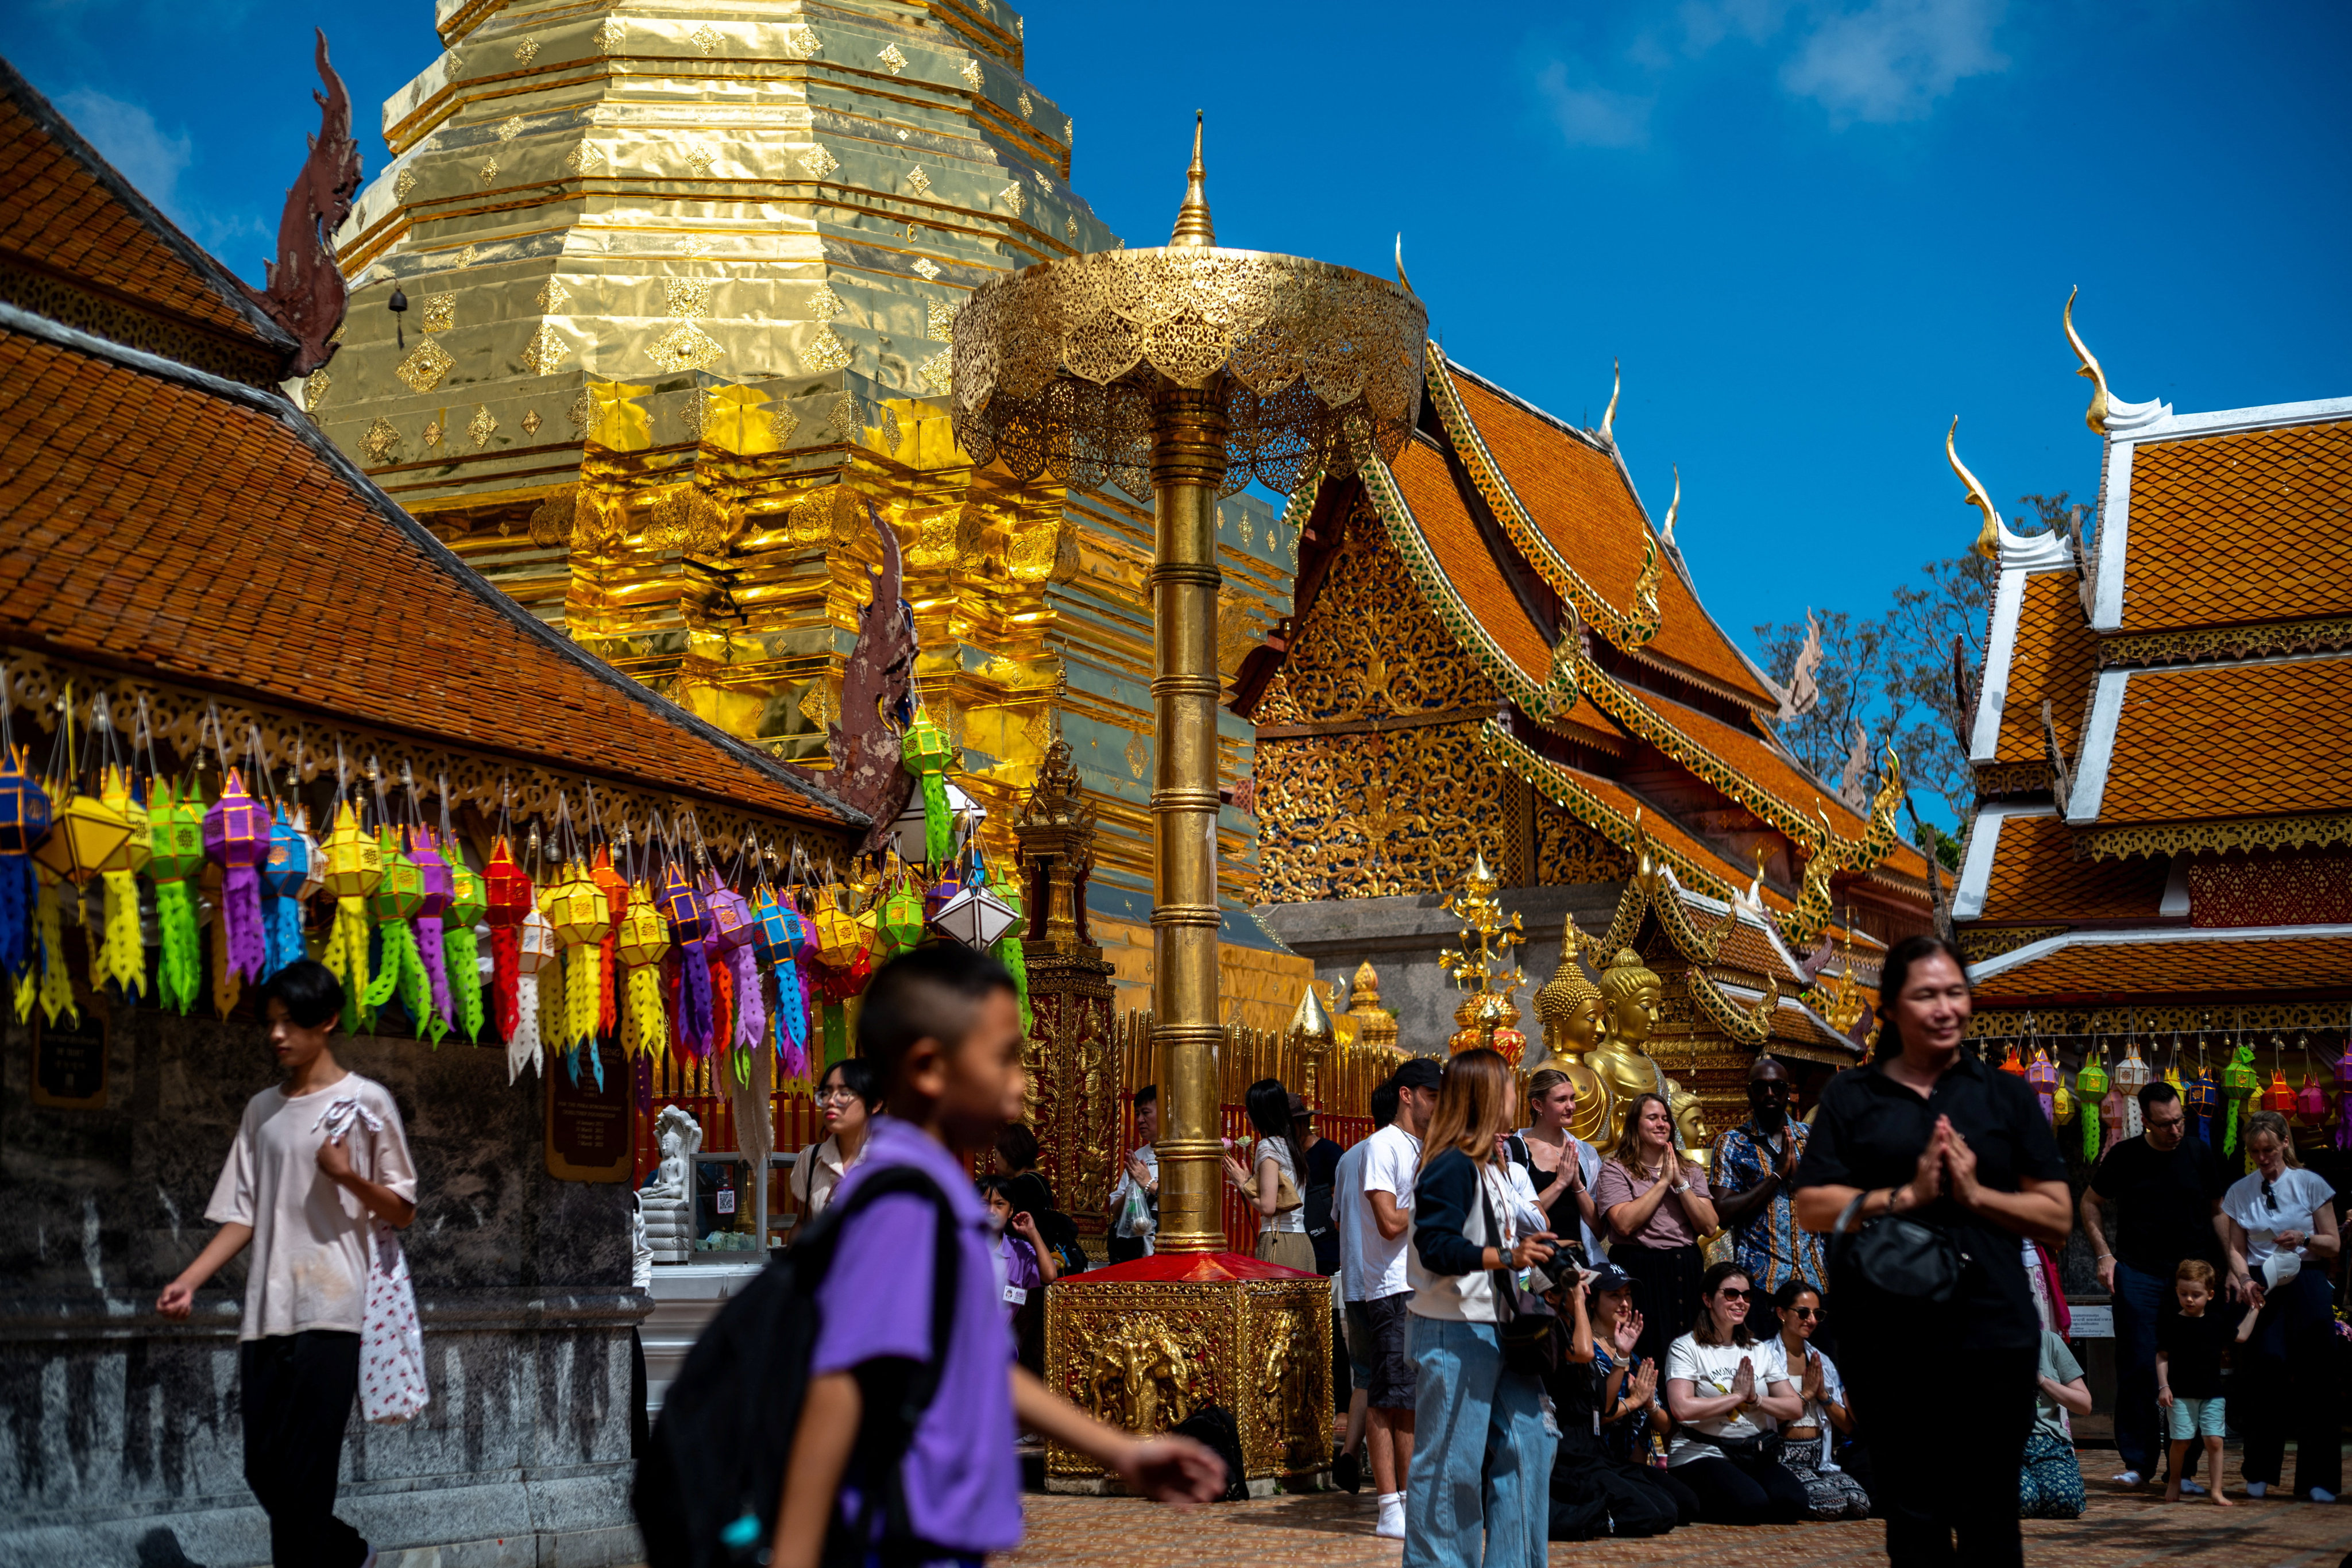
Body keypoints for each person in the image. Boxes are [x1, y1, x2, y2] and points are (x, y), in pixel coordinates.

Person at [766, 945, 1223, 1568]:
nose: (1023, 1083)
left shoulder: (939, 1191)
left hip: (941, 1526)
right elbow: (838, 1387)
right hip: (890, 1531)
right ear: (931, 1068)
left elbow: (976, 1360)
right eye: (1005, 1058)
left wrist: (1121, 1452)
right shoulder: (899, 1200)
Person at [1791, 934, 2072, 1568]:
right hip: (1889, 1335)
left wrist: (1975, 1195)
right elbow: (1811, 1205)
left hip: (1992, 1331)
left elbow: (2057, 1216)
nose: (1945, 1008)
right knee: (1913, 1517)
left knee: (1990, 1515)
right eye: (1926, 996)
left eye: (1955, 993)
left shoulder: (2002, 1096)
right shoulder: (1852, 1097)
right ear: (1891, 1007)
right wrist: (1906, 1194)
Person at [155, 960, 419, 1568]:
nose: (277, 1036)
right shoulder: (261, 1112)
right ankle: (350, 1553)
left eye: (290, 1022)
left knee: (306, 1479)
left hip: (334, 1312)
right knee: (264, 1471)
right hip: (264, 1315)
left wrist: (347, 1175)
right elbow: (243, 1213)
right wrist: (189, 1281)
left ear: (326, 1021)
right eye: (270, 1023)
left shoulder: (365, 1102)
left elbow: (402, 1208)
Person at [1405, 1048, 1556, 1568]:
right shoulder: (1448, 1166)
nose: (1516, 1096)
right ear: (1488, 1094)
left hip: (1495, 1329)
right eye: (1511, 1086)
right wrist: (1505, 1255)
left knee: (1531, 1444)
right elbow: (1436, 1247)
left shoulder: (1491, 1166)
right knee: (1451, 1467)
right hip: (1451, 1332)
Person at [2077, 1077, 2228, 1490]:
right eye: (2164, 1124)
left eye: (2179, 1120)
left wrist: (2232, 1265)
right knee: (2139, 1367)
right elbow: (2089, 1202)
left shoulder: (2198, 1152)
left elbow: (2218, 1211)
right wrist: (2103, 1255)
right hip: (2138, 1273)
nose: (2174, 1130)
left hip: (2191, 1278)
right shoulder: (2126, 1156)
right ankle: (2138, 1463)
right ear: (2144, 1120)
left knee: (2192, 1371)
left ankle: (2183, 1472)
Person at [2223, 1109, 2342, 1503]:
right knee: (2264, 1372)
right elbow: (2235, 1250)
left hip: (2305, 1279)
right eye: (2255, 1151)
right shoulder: (2240, 1191)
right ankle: (2258, 1469)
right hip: (2263, 1281)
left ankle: (2318, 1478)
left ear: (2284, 1144)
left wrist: (2304, 1239)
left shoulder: (2309, 1183)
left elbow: (2332, 1242)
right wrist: (2243, 1279)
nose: (2262, 1158)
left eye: (2269, 1149)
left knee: (2316, 1378)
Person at [1354, 1056, 1440, 1538]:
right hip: (1391, 1285)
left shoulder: (1426, 1146)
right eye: (1431, 1096)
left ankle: (1408, 1499)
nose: (1436, 1105)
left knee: (1412, 1400)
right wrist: (1433, 1202)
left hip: (1424, 1284)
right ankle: (1388, 1503)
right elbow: (1388, 1222)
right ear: (1406, 1095)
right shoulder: (1382, 1145)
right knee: (1388, 1400)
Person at [1544, 1264, 1684, 1539]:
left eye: (1627, 1294)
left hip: (1596, 1456)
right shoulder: (1555, 1332)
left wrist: (1622, 1355)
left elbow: (1605, 1407)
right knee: (1647, 1516)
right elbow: (1585, 1353)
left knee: (1670, 1511)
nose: (1582, 1294)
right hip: (1569, 1459)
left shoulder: (1583, 1333)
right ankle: (1572, 1519)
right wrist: (1633, 1401)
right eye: (1578, 1289)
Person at [1662, 1263, 1808, 1524]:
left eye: (1747, 1295)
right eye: (1731, 1294)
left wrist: (1756, 1399)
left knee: (1794, 1502)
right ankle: (1692, 1498)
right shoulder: (1686, 1347)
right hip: (1702, 1452)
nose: (1741, 1301)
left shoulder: (1758, 1350)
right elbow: (1681, 1409)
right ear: (1707, 1299)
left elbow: (1795, 1407)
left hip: (1753, 1453)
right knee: (1751, 1506)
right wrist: (1737, 1397)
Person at [1593, 1092, 1717, 1367]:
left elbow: (1709, 1225)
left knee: (1690, 1349)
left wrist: (1680, 1184)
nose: (1662, 1124)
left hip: (1685, 1266)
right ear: (1635, 1125)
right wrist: (1662, 1184)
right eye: (1652, 1118)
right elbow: (1624, 1224)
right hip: (1640, 1269)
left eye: (1665, 1119)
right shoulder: (1616, 1169)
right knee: (1648, 1352)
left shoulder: (1690, 1170)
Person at [1588, 1262, 1702, 1528]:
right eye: (1614, 1295)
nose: (1624, 1303)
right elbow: (1597, 1417)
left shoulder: (1636, 1357)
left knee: (1687, 1506)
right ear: (1593, 1301)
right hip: (1601, 1462)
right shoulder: (1587, 1351)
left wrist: (1649, 1403)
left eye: (1627, 1295)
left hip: (1635, 1466)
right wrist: (1634, 1402)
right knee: (1660, 1515)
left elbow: (1665, 1425)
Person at [1332, 1077, 1403, 1497]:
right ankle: (1391, 1476)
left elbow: (1338, 1216)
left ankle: (1353, 1451)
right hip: (1390, 1281)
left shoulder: (1348, 1158)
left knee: (1366, 1375)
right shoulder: (1399, 1152)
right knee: (1396, 1378)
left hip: (1356, 1279)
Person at [1710, 1057, 1825, 1300]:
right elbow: (1722, 1213)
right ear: (1750, 1093)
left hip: (1815, 1278)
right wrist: (1775, 1177)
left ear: (1789, 1092)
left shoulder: (1814, 1138)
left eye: (1779, 1087)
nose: (1771, 1093)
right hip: (1761, 1282)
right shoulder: (1732, 1144)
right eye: (1762, 1087)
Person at [1771, 1281, 1870, 1519]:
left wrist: (1823, 1396)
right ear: (1782, 1313)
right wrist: (1805, 1395)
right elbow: (1765, 1421)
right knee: (1832, 1504)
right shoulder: (1765, 1356)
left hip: (1819, 1458)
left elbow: (1847, 1426)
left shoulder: (1822, 1361)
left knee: (1859, 1503)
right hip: (1784, 1457)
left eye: (1818, 1314)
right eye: (1804, 1313)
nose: (1812, 1321)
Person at [2157, 1259, 2232, 1507]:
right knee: (2181, 1441)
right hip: (2180, 1393)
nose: (2189, 1299)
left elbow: (2240, 1336)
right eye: (2183, 1294)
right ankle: (2175, 1479)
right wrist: (2164, 1386)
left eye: (2196, 1295)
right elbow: (2162, 1356)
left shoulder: (2216, 1321)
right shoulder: (2172, 1322)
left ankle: (2217, 1490)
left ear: (2210, 1295)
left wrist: (2255, 1309)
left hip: (2212, 1393)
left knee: (2215, 1440)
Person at [1515, 1068, 1602, 1268]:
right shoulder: (1514, 1149)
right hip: (1533, 1261)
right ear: (1538, 1105)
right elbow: (1516, 1217)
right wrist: (1560, 1183)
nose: (1571, 1106)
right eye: (1561, 1100)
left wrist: (1577, 1186)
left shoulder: (1586, 1154)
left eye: (1572, 1098)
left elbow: (1598, 1229)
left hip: (1578, 1260)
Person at [1225, 1076, 1315, 1271]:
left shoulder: (1268, 1146)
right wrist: (1250, 1181)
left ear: (1262, 1112)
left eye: (1250, 1109)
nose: (1246, 1116)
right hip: (1301, 1241)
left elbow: (1268, 1207)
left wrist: (1243, 1184)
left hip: (1278, 1240)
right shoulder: (1293, 1147)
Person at [978, 1173, 1060, 1373]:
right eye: (983, 1204)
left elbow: (1049, 1275)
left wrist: (1033, 1233)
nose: (991, 1211)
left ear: (1010, 1210)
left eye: (999, 1205)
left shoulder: (1018, 1252)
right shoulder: (962, 1246)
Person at [789, 1056, 882, 1225]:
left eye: (844, 1093)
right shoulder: (811, 1159)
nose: (831, 1101)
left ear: (875, 1104)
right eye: (826, 1093)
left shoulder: (892, 1160)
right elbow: (803, 1225)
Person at [2019, 1327, 2090, 1520]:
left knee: (2067, 1501)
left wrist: (2042, 1379)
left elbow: (2084, 1405)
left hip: (2048, 1444)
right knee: (2023, 1501)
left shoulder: (2049, 1341)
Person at [1105, 1084, 1159, 1264]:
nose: (1140, 1120)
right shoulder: (1138, 1156)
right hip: (1135, 1250)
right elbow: (1116, 1212)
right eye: (1137, 1115)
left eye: (1146, 1113)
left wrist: (1149, 1184)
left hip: (1164, 1247)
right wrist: (1132, 1189)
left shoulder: (1180, 1153)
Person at [1298, 1095, 1345, 1276]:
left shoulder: (1329, 1152)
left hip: (1326, 1245)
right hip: (1300, 1241)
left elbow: (1340, 1198)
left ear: (1302, 1123)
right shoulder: (1289, 1154)